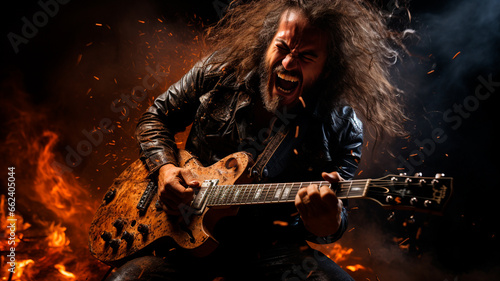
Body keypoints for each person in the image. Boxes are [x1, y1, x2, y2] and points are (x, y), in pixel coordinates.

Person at [106, 0, 407, 280]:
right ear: (267, 44)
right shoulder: (220, 71)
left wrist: (326, 223)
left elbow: (328, 225)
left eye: (305, 56)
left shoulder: (343, 128)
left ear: (328, 69)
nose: (288, 63)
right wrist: (165, 170)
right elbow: (155, 117)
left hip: (271, 251)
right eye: (282, 47)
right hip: (182, 239)